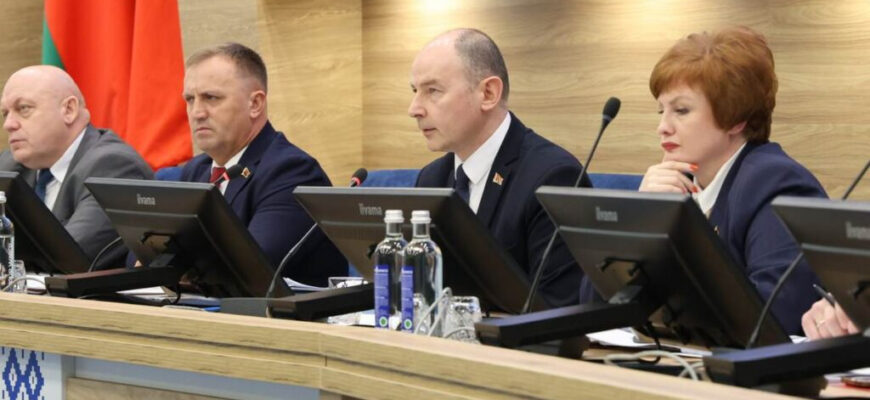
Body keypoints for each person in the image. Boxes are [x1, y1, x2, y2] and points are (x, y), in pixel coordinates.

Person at [639, 26, 827, 334]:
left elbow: (775, 311)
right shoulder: (673, 184)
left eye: (681, 110)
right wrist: (642, 220)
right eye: (661, 111)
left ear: (736, 118)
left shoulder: (774, 182)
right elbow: (597, 304)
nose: (663, 126)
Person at [410, 29, 589, 308]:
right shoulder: (431, 179)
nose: (414, 109)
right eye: (415, 91)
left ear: (488, 93)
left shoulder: (553, 177)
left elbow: (558, 308)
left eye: (433, 91)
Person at [179, 43, 346, 287]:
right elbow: (139, 255)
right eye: (190, 99)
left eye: (211, 98)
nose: (197, 112)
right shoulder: (197, 171)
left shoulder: (292, 172)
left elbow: (248, 266)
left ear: (255, 104)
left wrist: (171, 266)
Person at [0, 65, 153, 269]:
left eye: (23, 109)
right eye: (5, 113)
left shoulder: (113, 167)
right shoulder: (9, 166)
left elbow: (66, 260)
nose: (9, 124)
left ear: (69, 110)